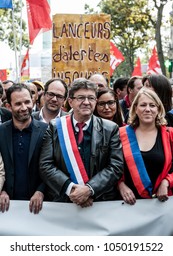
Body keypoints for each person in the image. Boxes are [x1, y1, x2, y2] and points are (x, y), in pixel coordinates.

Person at [39, 78, 124, 207]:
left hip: (99, 202)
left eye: (91, 98)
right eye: (81, 98)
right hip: (64, 202)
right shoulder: (55, 127)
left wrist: (90, 190)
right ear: (70, 101)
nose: (86, 102)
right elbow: (45, 165)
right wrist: (72, 189)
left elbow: (115, 166)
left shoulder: (110, 129)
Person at [118, 88, 173, 205]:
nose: (148, 109)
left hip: (162, 205)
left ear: (158, 109)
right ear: (135, 109)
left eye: (152, 105)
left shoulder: (170, 135)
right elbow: (111, 166)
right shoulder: (121, 134)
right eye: (143, 105)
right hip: (127, 205)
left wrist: (167, 181)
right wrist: (120, 185)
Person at [0, 83, 48, 213]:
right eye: (18, 104)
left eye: (27, 102)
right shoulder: (1, 132)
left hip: (40, 206)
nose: (24, 107)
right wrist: (1, 190)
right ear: (9, 106)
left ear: (33, 101)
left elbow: (52, 166)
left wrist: (41, 191)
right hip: (7, 207)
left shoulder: (46, 131)